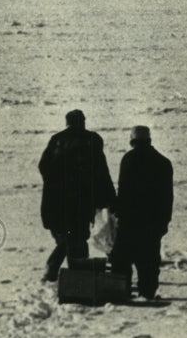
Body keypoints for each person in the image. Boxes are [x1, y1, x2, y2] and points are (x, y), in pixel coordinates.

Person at [38, 109, 117, 281]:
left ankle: (65, 273)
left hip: (57, 201)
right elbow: (101, 172)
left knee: (67, 237)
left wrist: (56, 185)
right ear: (83, 121)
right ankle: (71, 274)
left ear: (67, 122)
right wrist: (110, 199)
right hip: (81, 200)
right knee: (77, 238)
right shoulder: (91, 139)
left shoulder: (57, 139)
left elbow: (43, 167)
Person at [110, 125, 174, 301]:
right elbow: (168, 196)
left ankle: (121, 291)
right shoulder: (163, 162)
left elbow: (123, 190)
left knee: (122, 258)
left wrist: (118, 213)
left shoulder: (128, 159)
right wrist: (164, 221)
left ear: (132, 141)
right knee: (149, 259)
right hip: (154, 219)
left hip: (130, 218)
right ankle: (148, 291)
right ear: (149, 140)